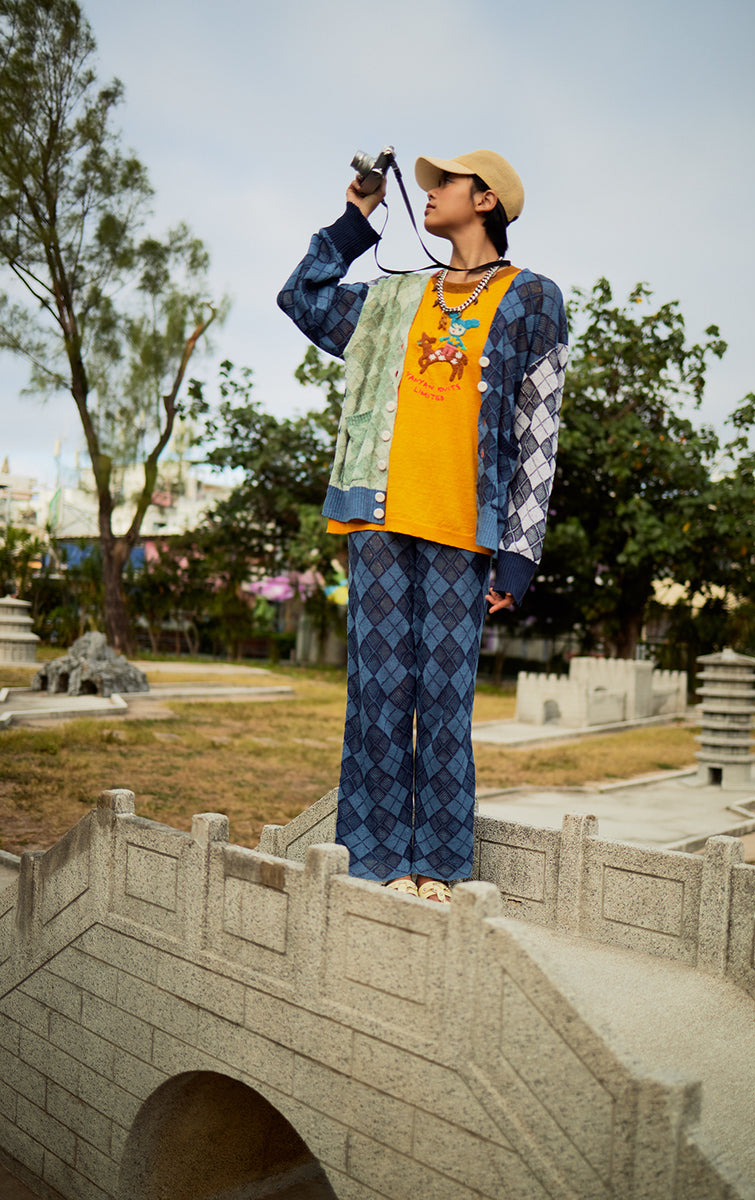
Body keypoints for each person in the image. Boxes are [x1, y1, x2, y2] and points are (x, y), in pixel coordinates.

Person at [278, 149, 568, 902]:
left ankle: (438, 862)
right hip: (378, 516)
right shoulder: (395, 295)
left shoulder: (535, 299)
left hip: (463, 527)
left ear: (487, 200)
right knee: (376, 694)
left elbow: (540, 429)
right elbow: (302, 296)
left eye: (446, 183)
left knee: (444, 703)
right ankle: (375, 861)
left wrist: (520, 554)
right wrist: (356, 217)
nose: (431, 192)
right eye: (428, 183)